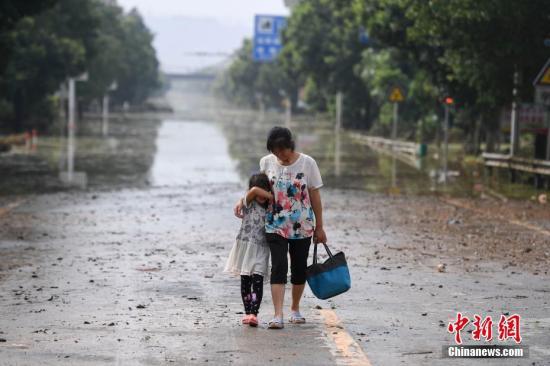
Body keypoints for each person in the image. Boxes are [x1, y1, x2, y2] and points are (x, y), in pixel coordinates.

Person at [234, 126, 327, 329]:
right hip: (274, 224)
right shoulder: (266, 163)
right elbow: (257, 188)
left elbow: (315, 196)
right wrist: (243, 201)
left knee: (299, 268)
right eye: (275, 151)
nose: (279, 155)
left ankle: (295, 308)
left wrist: (320, 227)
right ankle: (278, 314)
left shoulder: (308, 163)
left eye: (282, 150)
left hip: (302, 225)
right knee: (278, 266)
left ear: (290, 145)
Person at [224, 173, 273, 327]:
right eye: (260, 191)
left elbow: (256, 191)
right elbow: (253, 192)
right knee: (245, 283)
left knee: (257, 282)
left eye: (265, 190)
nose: (262, 195)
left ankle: (253, 313)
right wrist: (270, 194)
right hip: (245, 250)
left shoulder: (270, 208)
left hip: (261, 250)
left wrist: (270, 197)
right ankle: (247, 312)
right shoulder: (247, 203)